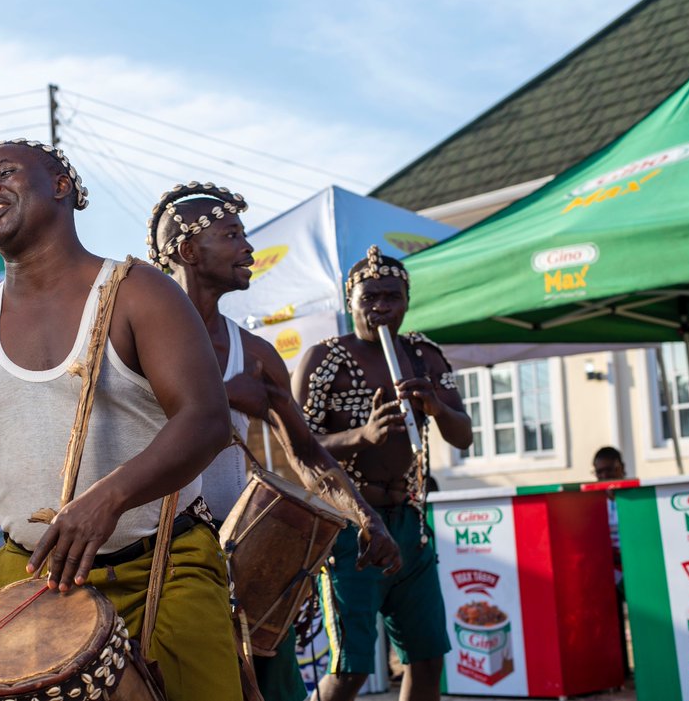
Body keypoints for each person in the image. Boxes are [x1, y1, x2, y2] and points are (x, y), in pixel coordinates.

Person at [0, 140, 242, 700]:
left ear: (62, 186)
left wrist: (106, 499)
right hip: (32, 579)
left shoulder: (136, 292)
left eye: (5, 172)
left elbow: (205, 420)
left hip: (164, 566)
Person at [149, 183, 402, 701]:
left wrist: (365, 517)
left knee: (274, 688)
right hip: (153, 557)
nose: (248, 249)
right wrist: (221, 399)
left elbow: (307, 454)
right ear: (188, 251)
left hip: (243, 558)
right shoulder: (134, 340)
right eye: (231, 235)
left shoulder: (258, 354)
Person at [292, 246, 473, 701]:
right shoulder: (322, 360)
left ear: (407, 300)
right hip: (352, 527)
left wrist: (433, 405)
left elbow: (463, 435)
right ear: (349, 302)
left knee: (427, 658)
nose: (380, 308)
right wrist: (362, 436)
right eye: (369, 298)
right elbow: (298, 451)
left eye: (391, 297)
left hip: (411, 521)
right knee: (351, 668)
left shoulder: (424, 355)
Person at [591, 446, 628, 675]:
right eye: (599, 472)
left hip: (634, 566)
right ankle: (619, 671)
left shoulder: (634, 495)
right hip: (607, 569)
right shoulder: (592, 501)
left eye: (609, 470)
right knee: (610, 622)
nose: (604, 477)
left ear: (621, 468)